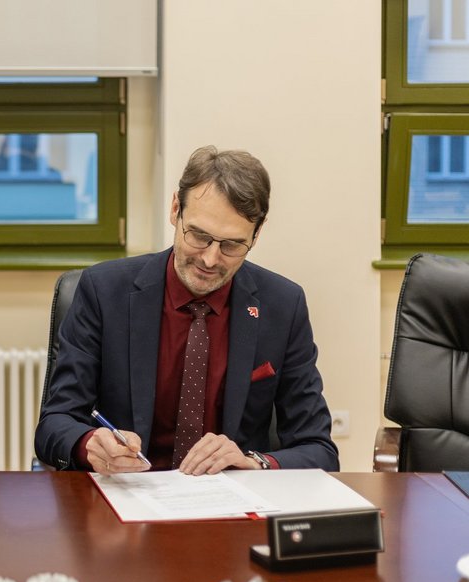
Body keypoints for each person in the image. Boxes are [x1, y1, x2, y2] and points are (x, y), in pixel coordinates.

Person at [35, 146, 338, 475]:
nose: (210, 259)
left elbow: (318, 450)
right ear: (175, 209)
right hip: (127, 495)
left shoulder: (282, 305)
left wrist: (254, 462)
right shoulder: (105, 291)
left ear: (257, 233)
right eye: (199, 236)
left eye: (232, 245)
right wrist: (90, 444)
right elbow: (55, 423)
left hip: (232, 502)